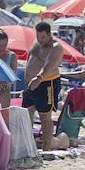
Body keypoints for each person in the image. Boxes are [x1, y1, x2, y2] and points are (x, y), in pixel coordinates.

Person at [23, 21, 64, 152]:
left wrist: (39, 78)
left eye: (43, 37)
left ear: (49, 34)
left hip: (47, 83)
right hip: (31, 85)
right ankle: (30, 146)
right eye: (38, 36)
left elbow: (50, 65)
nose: (40, 40)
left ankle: (47, 148)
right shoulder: (36, 42)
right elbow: (30, 58)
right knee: (26, 114)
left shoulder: (56, 47)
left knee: (44, 116)